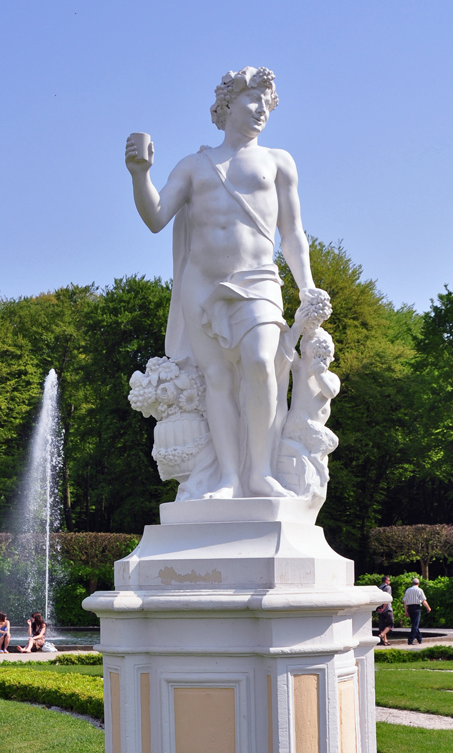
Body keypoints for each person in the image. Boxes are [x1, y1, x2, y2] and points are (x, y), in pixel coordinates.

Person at [125, 66, 330, 499]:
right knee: (216, 378)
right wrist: (139, 174)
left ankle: (259, 473)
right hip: (202, 285)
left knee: (259, 363)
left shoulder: (278, 162)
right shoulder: (195, 165)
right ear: (227, 104)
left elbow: (292, 234)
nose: (261, 110)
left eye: (267, 103)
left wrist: (307, 286)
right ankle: (229, 479)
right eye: (252, 100)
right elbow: (157, 218)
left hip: (258, 279)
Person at [403, 578, 431, 645]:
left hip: (410, 608)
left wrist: (406, 611)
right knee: (415, 625)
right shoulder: (420, 590)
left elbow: (405, 601)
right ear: (418, 583)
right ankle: (410, 640)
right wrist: (428, 607)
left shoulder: (408, 590)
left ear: (412, 583)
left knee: (414, 624)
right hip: (416, 608)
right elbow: (424, 600)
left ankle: (419, 639)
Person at [376, 575, 394, 647]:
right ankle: (382, 635)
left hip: (379, 609)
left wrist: (379, 608)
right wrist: (384, 607)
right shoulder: (388, 587)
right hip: (387, 608)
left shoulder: (379, 588)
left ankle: (385, 641)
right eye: (389, 580)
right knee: (391, 624)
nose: (389, 581)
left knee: (382, 625)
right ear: (386, 581)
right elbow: (387, 598)